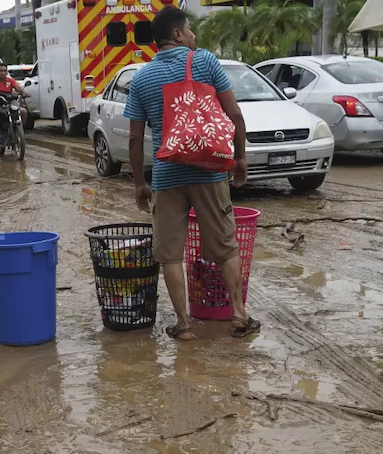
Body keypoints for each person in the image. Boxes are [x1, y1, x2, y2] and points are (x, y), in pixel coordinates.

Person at [123, 6, 258, 340]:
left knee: (170, 254)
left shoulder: (140, 79)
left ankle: (183, 324)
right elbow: (235, 115)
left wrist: (140, 182)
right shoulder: (206, 62)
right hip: (210, 172)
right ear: (177, 35)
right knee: (226, 246)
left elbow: (135, 137)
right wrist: (239, 158)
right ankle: (239, 314)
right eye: (191, 29)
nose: (195, 35)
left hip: (167, 176)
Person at [0, 62, 28, 138]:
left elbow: (17, 87)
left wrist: (24, 93)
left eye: (5, 71)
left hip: (10, 104)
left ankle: (18, 130)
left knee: (23, 112)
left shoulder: (10, 81)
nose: (3, 73)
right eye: (1, 71)